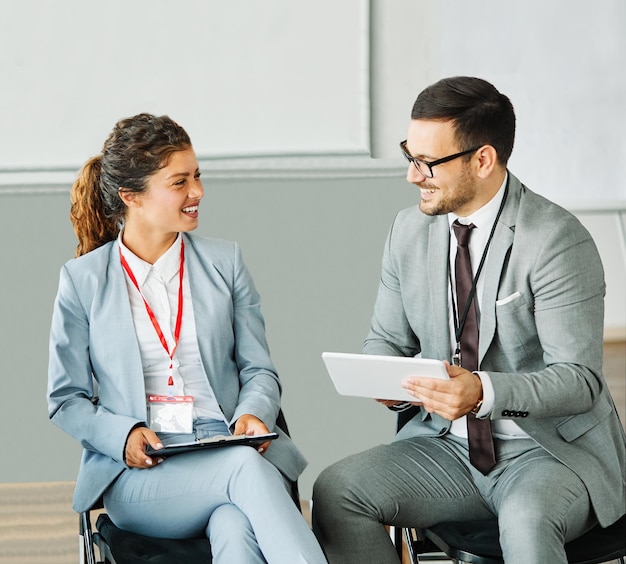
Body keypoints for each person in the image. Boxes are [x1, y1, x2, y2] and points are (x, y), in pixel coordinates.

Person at [312, 77, 626, 564]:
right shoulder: (408, 230)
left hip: (547, 453)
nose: (413, 176)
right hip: (447, 449)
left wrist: (483, 392)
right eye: (409, 156)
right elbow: (385, 339)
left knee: (524, 525)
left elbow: (579, 381)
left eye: (428, 163)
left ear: (482, 160)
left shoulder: (556, 240)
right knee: (337, 491)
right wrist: (385, 376)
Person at [47, 113, 326, 564]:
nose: (197, 192)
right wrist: (123, 435)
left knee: (235, 528)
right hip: (142, 472)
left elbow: (259, 370)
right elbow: (66, 399)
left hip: (226, 443)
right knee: (245, 472)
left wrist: (254, 412)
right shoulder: (83, 280)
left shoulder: (225, 262)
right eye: (179, 182)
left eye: (197, 176)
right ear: (131, 196)